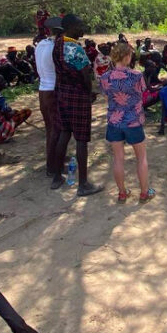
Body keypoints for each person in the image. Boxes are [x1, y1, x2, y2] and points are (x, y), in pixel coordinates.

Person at [50, 14, 103, 196]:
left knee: (64, 134)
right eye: (80, 25)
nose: (83, 29)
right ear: (71, 27)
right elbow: (85, 76)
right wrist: (89, 94)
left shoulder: (57, 44)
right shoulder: (75, 48)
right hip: (77, 97)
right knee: (81, 139)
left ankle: (57, 177)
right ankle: (83, 184)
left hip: (62, 94)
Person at [100, 42, 155, 204]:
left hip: (114, 121)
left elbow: (107, 98)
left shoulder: (105, 78)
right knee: (141, 157)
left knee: (118, 158)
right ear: (126, 57)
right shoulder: (136, 76)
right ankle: (144, 192)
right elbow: (142, 93)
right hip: (133, 121)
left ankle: (122, 193)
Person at [35, 16, 62, 178]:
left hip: (43, 90)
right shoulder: (56, 48)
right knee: (56, 131)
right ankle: (52, 166)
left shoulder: (41, 45)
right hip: (53, 91)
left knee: (50, 129)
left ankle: (53, 159)